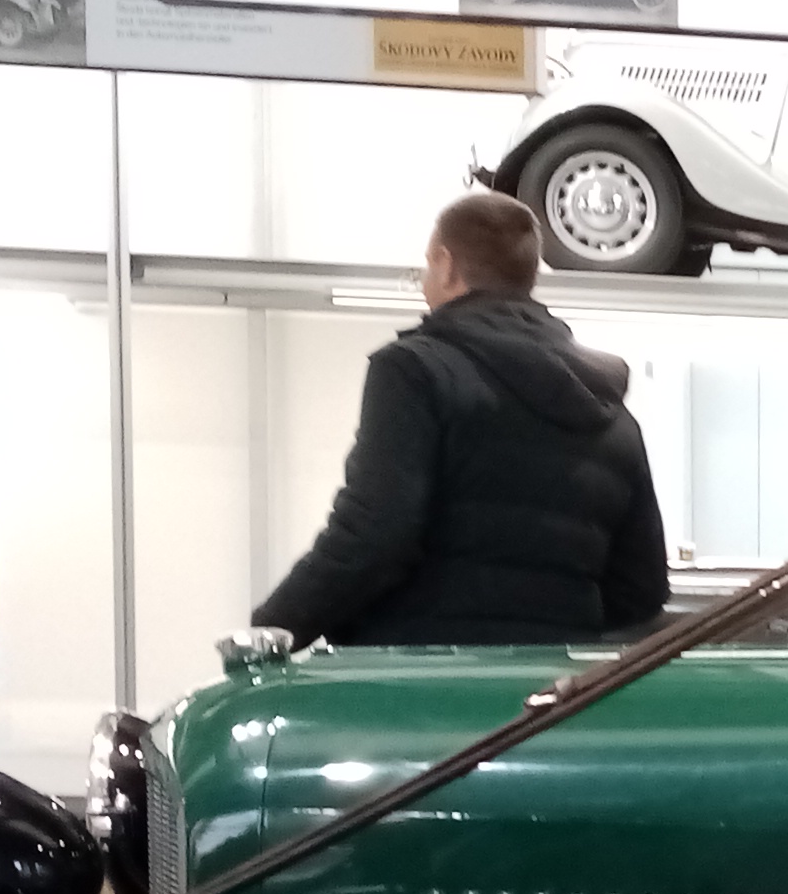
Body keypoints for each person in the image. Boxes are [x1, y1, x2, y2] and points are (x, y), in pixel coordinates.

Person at [254, 191, 669, 650]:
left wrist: (271, 631)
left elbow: (374, 533)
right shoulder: (611, 410)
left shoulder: (415, 371)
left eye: (426, 266)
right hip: (556, 681)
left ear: (446, 265)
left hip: (423, 673)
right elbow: (641, 588)